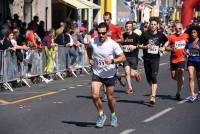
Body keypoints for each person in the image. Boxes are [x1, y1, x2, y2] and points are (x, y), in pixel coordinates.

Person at [87, 22, 125, 128]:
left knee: (110, 97)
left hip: (109, 74)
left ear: (107, 32)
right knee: (95, 95)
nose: (101, 35)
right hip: (97, 72)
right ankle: (101, 115)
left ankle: (113, 115)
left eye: (103, 33)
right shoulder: (93, 41)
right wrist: (90, 58)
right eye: (99, 33)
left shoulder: (113, 44)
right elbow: (89, 48)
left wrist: (112, 61)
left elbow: (123, 58)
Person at [139, 17, 168, 105]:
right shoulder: (145, 34)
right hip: (146, 58)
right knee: (149, 78)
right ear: (149, 25)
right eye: (151, 24)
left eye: (155, 24)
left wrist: (163, 47)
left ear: (157, 25)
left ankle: (153, 96)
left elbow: (167, 41)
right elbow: (139, 45)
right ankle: (152, 90)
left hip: (155, 58)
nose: (153, 26)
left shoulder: (160, 34)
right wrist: (145, 47)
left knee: (154, 76)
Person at [162, 22, 189, 101]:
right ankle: (180, 81)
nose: (178, 30)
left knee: (180, 72)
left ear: (182, 28)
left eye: (180, 28)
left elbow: (190, 43)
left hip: (182, 58)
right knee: (174, 77)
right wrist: (167, 48)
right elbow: (166, 46)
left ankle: (178, 93)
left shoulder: (186, 36)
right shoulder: (172, 36)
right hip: (173, 59)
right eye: (176, 29)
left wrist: (188, 50)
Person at [122, 21, 141, 94]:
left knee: (132, 74)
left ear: (132, 28)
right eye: (127, 27)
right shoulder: (123, 35)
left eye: (129, 27)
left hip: (133, 56)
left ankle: (136, 74)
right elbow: (120, 43)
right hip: (125, 56)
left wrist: (135, 47)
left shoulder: (136, 36)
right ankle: (130, 88)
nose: (128, 28)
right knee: (127, 72)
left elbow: (141, 44)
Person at [185, 25, 200, 102]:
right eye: (192, 32)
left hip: (199, 61)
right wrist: (186, 52)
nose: (193, 34)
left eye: (194, 32)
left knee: (198, 77)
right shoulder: (189, 42)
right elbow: (186, 50)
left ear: (197, 33)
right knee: (191, 76)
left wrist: (198, 48)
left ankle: (199, 93)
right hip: (191, 60)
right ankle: (192, 94)